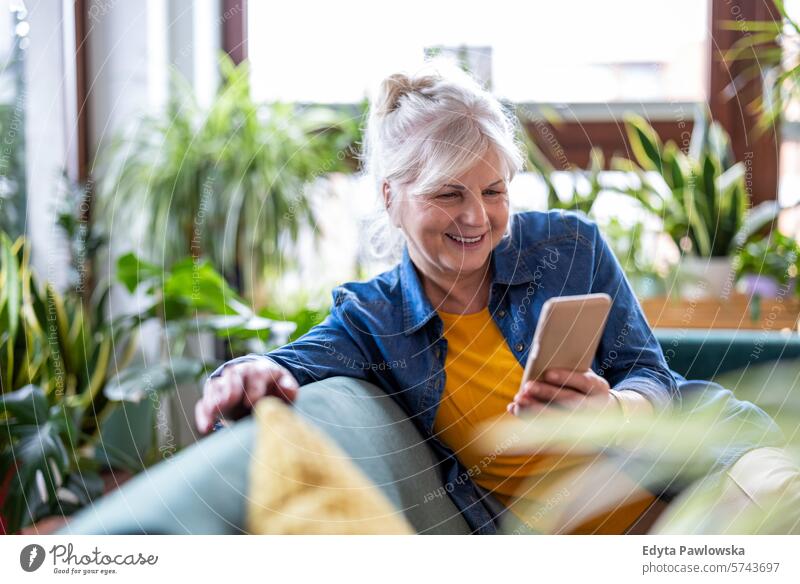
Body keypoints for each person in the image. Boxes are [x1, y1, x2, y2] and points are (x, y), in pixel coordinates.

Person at [194, 61, 796, 534]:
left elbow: (651, 374)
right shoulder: (374, 318)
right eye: (449, 193)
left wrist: (610, 412)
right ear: (389, 197)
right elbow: (282, 364)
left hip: (697, 489)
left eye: (493, 190)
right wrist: (244, 371)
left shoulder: (569, 245)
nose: (477, 217)